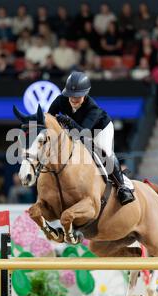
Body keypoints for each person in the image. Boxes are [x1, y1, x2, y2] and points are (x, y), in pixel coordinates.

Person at [48, 71, 134, 205]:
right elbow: (48, 117)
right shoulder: (61, 99)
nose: (73, 99)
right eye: (71, 96)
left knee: (104, 152)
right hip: (77, 130)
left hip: (99, 130)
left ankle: (123, 186)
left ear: (85, 94)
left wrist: (68, 121)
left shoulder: (92, 109)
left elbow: (83, 134)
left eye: (77, 97)